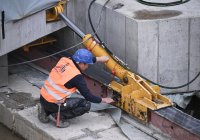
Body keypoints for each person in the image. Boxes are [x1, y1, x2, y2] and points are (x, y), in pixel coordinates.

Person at [38, 48, 114, 128]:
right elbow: (88, 96)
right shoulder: (77, 77)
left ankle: (44, 110)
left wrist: (100, 59)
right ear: (81, 63)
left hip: (43, 97)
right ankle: (58, 116)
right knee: (85, 105)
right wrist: (103, 100)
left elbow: (83, 58)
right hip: (54, 104)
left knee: (54, 100)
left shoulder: (65, 60)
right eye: (87, 64)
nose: (87, 66)